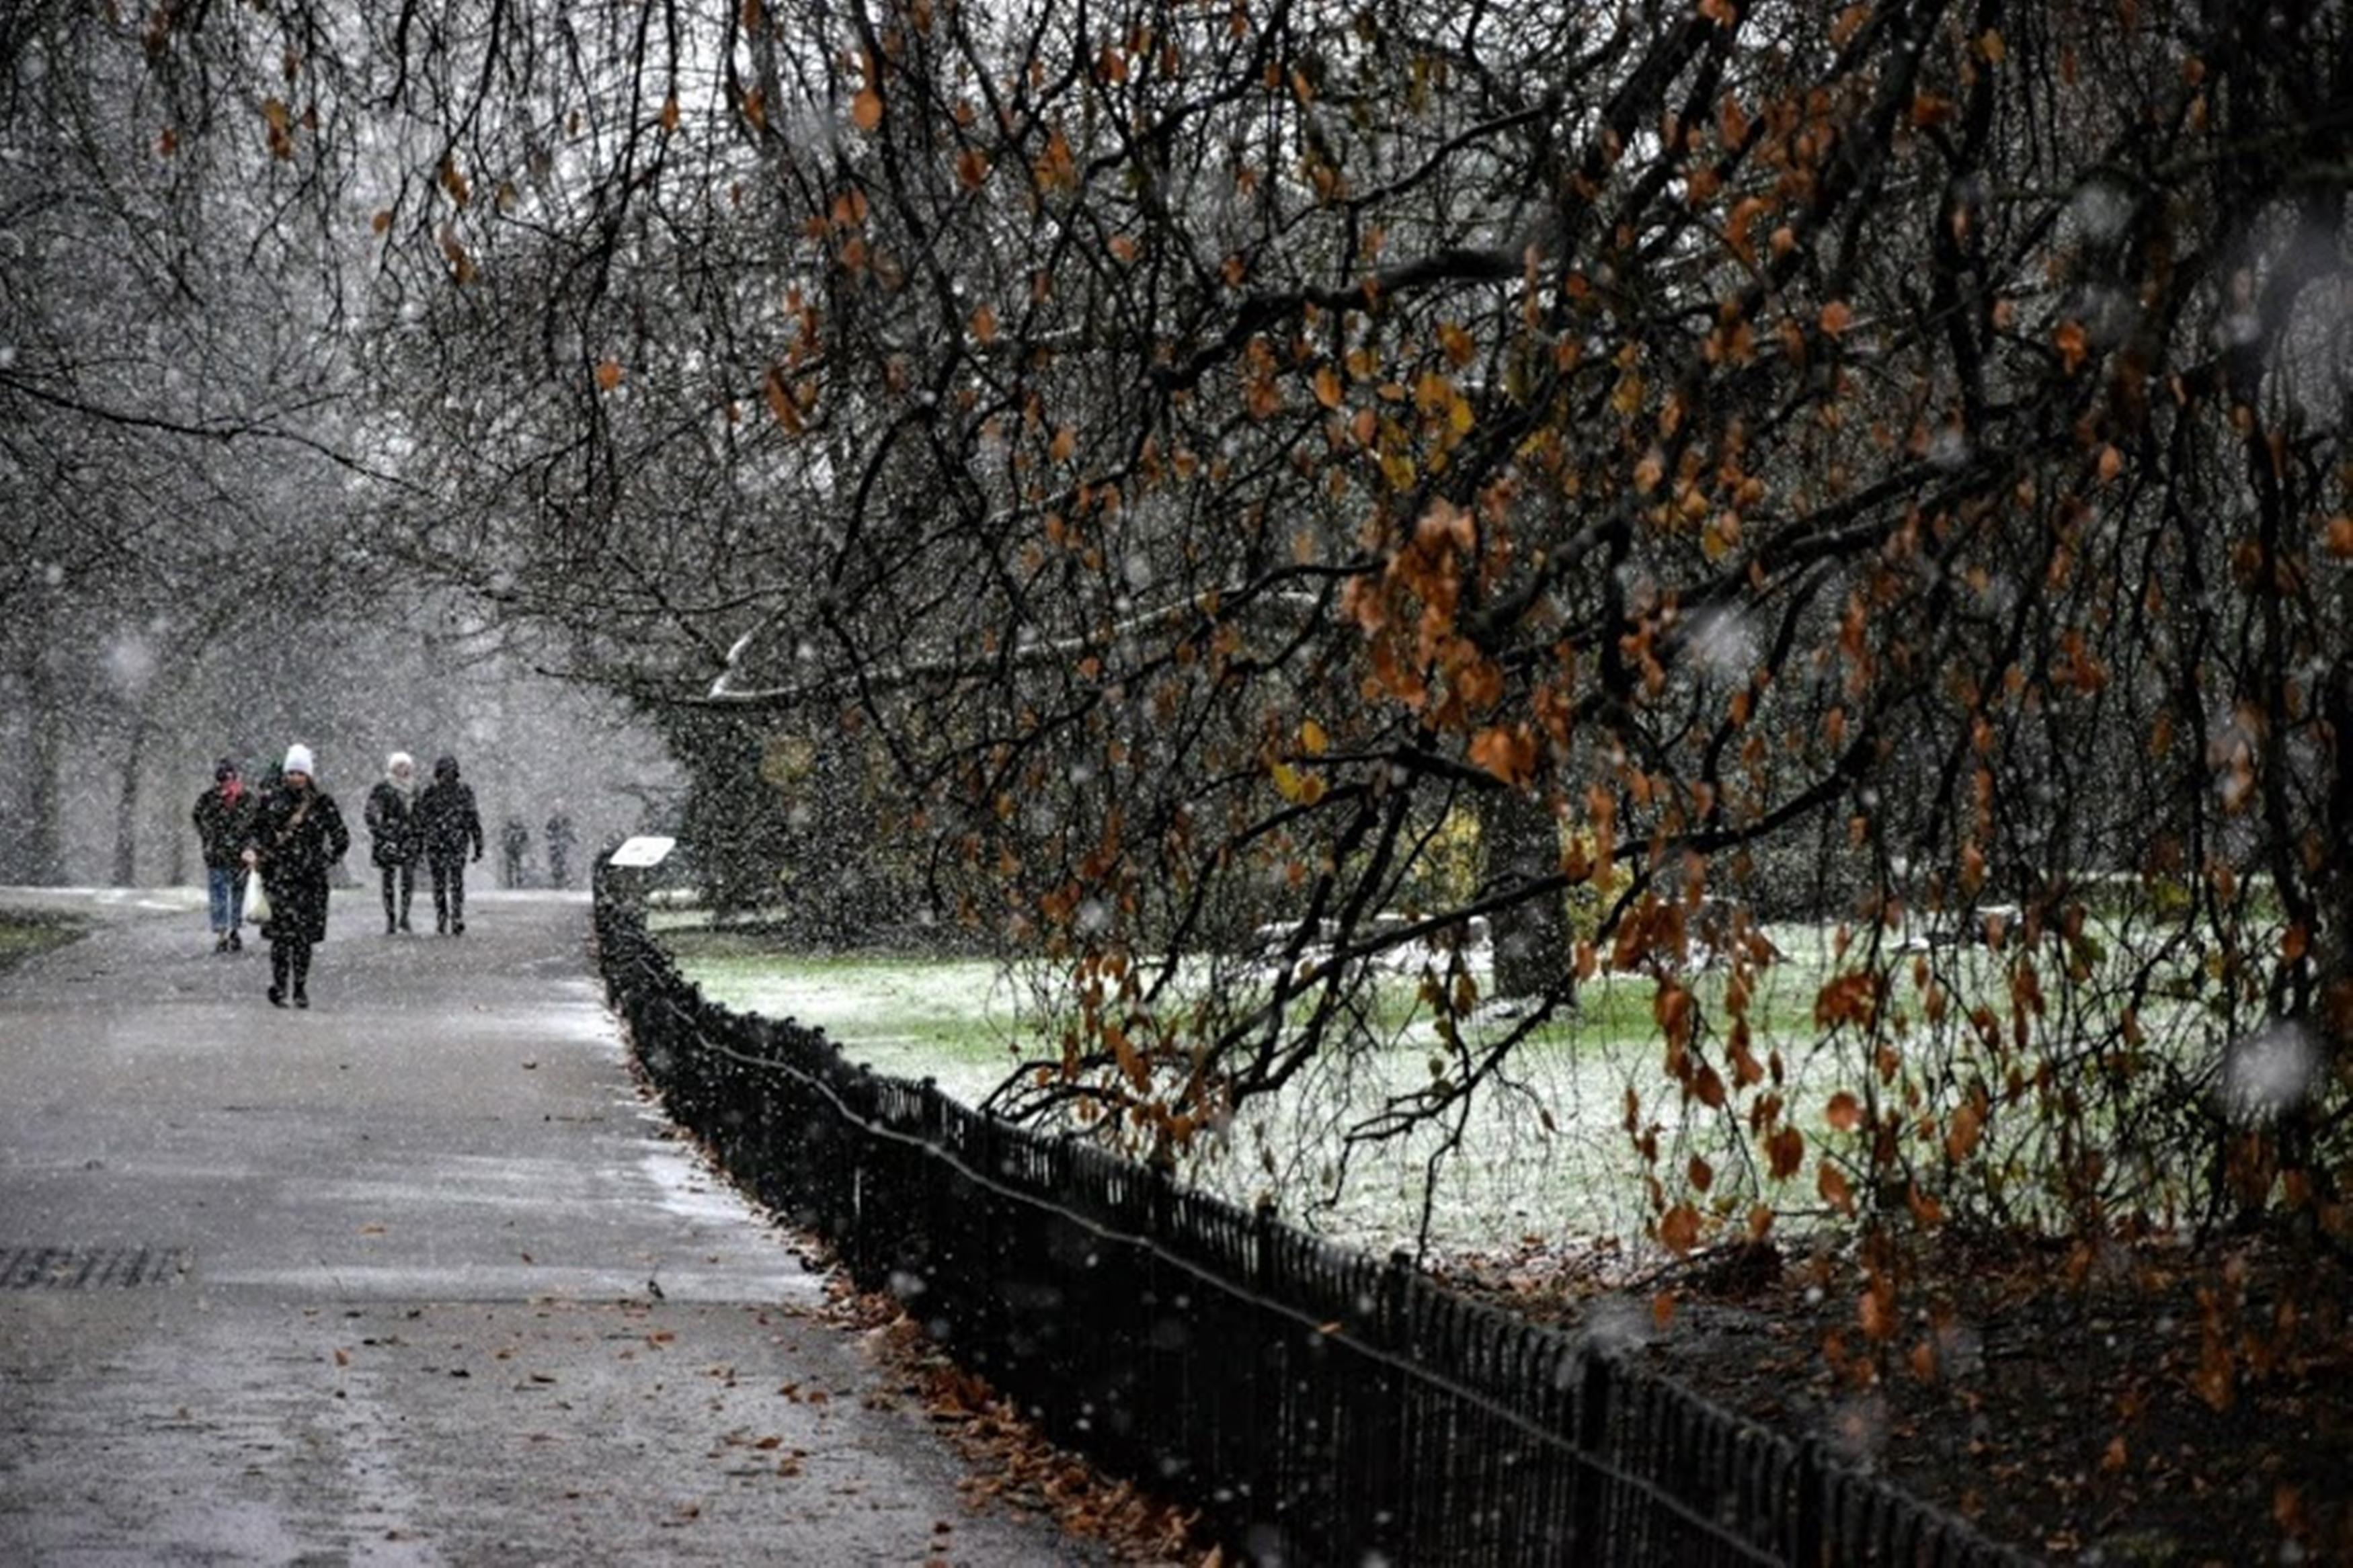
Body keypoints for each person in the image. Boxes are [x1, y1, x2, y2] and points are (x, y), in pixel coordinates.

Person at [242, 743, 350, 1008]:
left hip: (310, 879)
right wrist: (251, 850)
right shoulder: (271, 800)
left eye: (300, 773)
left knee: (303, 938)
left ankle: (300, 988)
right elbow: (254, 830)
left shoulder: (322, 802)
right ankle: (279, 987)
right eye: (291, 773)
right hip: (278, 876)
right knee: (280, 938)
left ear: (309, 775)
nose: (295, 778)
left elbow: (341, 838)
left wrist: (324, 861)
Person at [192, 757, 257, 953]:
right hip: (219, 854)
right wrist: (210, 837)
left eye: (229, 777)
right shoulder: (209, 799)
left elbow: (256, 825)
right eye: (223, 778)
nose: (226, 782)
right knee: (220, 893)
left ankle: (234, 931)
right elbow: (199, 819)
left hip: (239, 855)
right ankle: (223, 933)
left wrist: (250, 847)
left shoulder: (246, 799)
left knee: (237, 894)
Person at [417, 754, 484, 934]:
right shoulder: (435, 793)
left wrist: (478, 843)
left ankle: (450, 916)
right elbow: (421, 820)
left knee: (446, 881)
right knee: (451, 881)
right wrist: (478, 843)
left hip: (449, 842)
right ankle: (450, 915)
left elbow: (472, 819)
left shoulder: (439, 792)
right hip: (448, 841)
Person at [364, 751, 424, 935]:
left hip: (409, 837)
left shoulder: (415, 788)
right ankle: (390, 917)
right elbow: (371, 812)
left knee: (408, 878)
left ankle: (404, 916)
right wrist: (381, 830)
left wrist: (419, 830)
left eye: (406, 766)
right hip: (389, 837)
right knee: (388, 878)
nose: (403, 769)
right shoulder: (383, 788)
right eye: (399, 765)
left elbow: (421, 813)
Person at [545, 807, 577, 889]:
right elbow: (547, 832)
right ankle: (558, 881)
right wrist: (552, 837)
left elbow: (570, 831)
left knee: (565, 863)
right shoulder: (552, 822)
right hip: (555, 846)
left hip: (564, 846)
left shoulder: (566, 821)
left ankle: (566, 881)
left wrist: (573, 839)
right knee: (556, 863)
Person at [500, 817, 531, 889]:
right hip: (512, 850)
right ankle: (511, 882)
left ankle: (517, 881)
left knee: (518, 866)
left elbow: (526, 839)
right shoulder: (510, 829)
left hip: (516, 851)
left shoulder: (519, 829)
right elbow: (504, 838)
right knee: (512, 867)